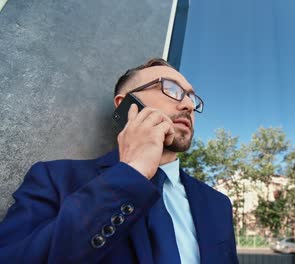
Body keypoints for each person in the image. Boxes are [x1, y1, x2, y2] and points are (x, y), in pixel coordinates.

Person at [0, 58, 239, 264]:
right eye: (171, 89)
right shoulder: (55, 179)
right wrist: (131, 173)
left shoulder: (217, 204)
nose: (188, 105)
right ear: (126, 105)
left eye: (191, 97)